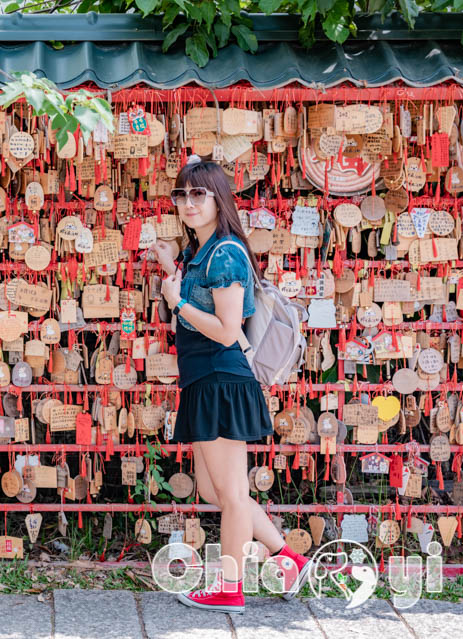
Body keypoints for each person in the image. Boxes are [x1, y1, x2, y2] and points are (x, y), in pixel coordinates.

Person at [151, 156, 311, 614]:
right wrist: (170, 270)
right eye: (181, 194)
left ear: (219, 199)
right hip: (203, 381)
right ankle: (287, 557)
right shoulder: (198, 252)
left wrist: (177, 301)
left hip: (223, 378)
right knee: (212, 490)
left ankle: (230, 587)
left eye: (198, 194)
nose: (188, 202)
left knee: (233, 495)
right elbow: (184, 297)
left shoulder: (226, 253)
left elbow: (226, 329)